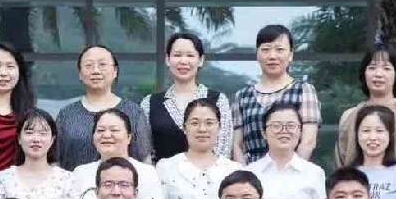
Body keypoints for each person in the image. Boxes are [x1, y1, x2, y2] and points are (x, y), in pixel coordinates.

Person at [63, 107, 163, 199]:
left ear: (129, 137)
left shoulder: (146, 172)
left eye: (114, 130)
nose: (106, 135)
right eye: (100, 130)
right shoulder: (80, 173)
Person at [231, 24, 320, 162]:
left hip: (292, 169)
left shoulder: (304, 90)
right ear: (257, 54)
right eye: (265, 50)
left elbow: (308, 142)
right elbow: (237, 145)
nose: (272, 56)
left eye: (279, 50)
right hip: (251, 170)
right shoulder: (242, 96)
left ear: (291, 55)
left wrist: (291, 171)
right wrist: (244, 173)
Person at [55, 44, 152, 167]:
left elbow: (145, 158)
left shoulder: (133, 112)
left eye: (102, 65)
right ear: (80, 73)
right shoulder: (67, 114)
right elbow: (56, 160)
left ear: (115, 71)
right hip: (76, 178)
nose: (96, 71)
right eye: (89, 65)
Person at [247, 101, 328, 199]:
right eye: (276, 125)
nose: (284, 131)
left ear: (300, 131)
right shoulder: (249, 173)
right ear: (264, 133)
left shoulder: (314, 173)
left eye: (291, 126)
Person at [335, 43, 396, 169]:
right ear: (364, 73)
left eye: (386, 68)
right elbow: (341, 162)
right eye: (372, 68)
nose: (378, 74)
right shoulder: (349, 116)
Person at [146, 32, 233, 161]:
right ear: (167, 59)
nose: (183, 61)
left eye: (190, 55)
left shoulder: (218, 100)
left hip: (210, 173)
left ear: (200, 60)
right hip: (163, 173)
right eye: (177, 55)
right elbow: (145, 152)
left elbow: (223, 148)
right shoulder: (150, 103)